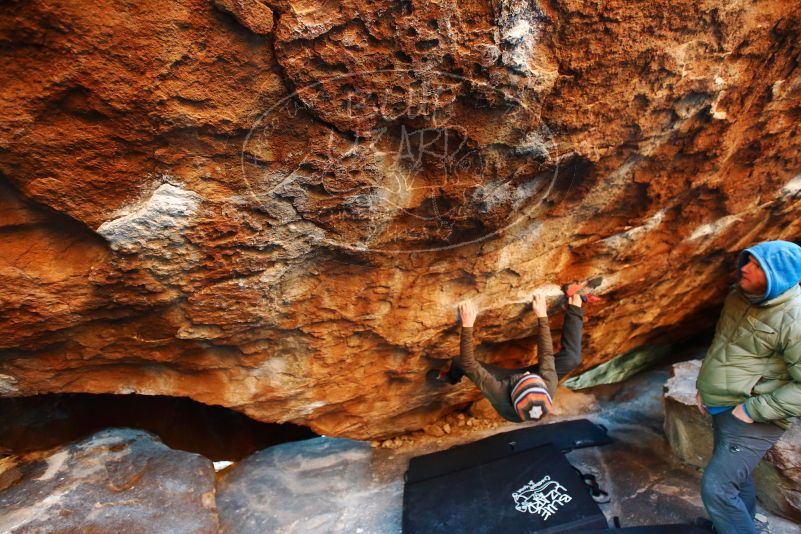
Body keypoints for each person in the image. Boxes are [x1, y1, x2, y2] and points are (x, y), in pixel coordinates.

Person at [695, 240, 801, 534]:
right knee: (736, 479)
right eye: (747, 260)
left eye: (757, 266)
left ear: (777, 276)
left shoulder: (795, 319)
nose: (745, 268)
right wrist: (704, 385)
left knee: (717, 488)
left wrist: (753, 409)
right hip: (724, 402)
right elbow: (723, 344)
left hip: (754, 414)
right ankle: (743, 525)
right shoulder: (739, 295)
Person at [428, 283, 588, 422]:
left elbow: (468, 363)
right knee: (571, 359)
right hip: (528, 384)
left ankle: (450, 378)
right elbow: (545, 354)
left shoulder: (498, 394)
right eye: (531, 377)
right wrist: (542, 315)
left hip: (508, 384)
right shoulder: (547, 383)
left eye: (524, 377)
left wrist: (467, 324)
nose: (526, 372)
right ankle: (576, 303)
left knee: (459, 362)